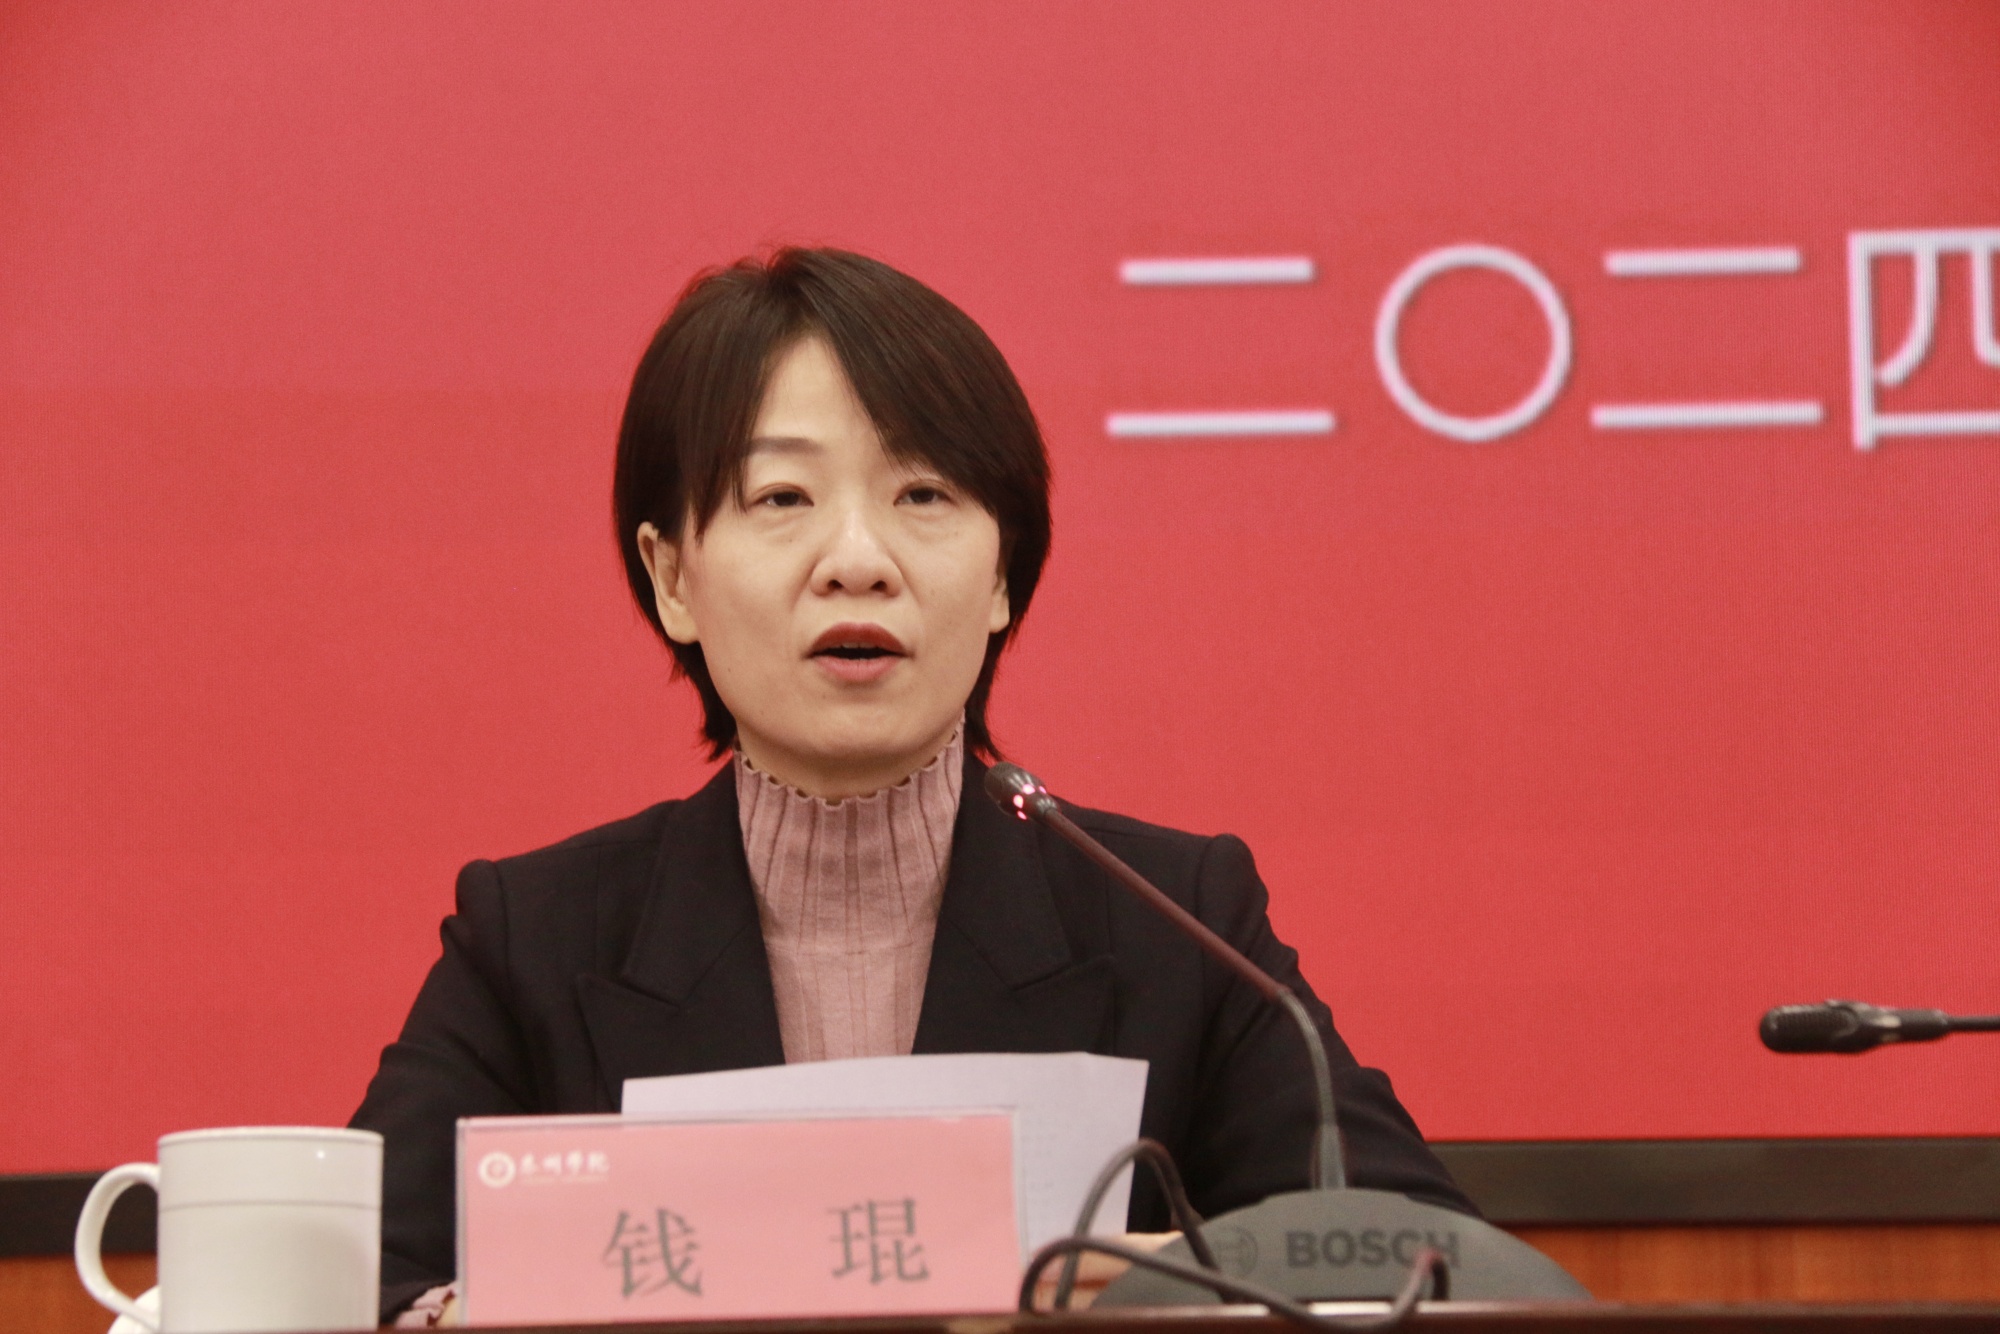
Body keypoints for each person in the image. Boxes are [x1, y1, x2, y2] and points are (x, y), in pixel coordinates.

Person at [351, 247, 1475, 1325]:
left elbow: (1424, 1260)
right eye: (781, 497)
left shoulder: (1175, 921)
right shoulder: (535, 940)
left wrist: (1162, 1288)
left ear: (1001, 577)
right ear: (671, 577)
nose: (858, 560)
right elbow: (354, 1283)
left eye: (924, 493)